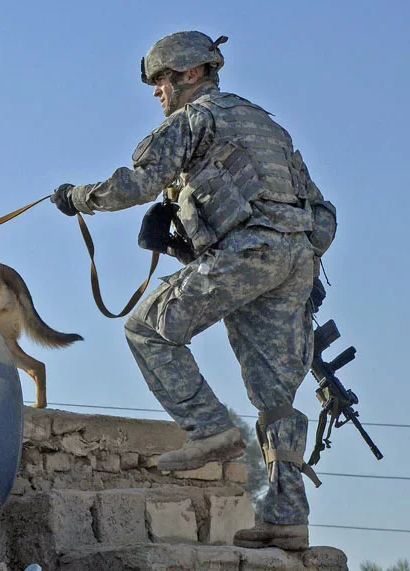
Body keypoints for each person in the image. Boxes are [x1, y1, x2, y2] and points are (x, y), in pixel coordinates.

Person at [51, 31, 336, 550]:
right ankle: (286, 517)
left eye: (162, 80)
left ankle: (209, 428)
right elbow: (321, 213)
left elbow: (137, 182)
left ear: (190, 74)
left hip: (251, 253)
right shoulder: (267, 125)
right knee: (276, 399)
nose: (157, 92)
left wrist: (78, 197)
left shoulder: (193, 120)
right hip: (293, 260)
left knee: (146, 330)